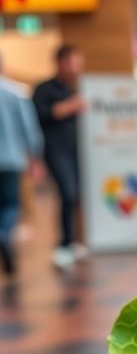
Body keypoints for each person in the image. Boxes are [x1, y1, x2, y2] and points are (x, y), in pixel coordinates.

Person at [33, 45, 87, 269]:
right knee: (67, 192)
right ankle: (62, 246)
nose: (77, 69)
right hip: (55, 152)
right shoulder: (44, 90)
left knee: (75, 196)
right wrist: (70, 107)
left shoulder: (73, 90)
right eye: (73, 63)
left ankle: (72, 241)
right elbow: (42, 115)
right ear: (61, 63)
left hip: (76, 152)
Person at [0, 60, 43, 275]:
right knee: (10, 205)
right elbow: (29, 128)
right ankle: (4, 232)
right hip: (10, 159)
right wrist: (36, 156)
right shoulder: (15, 92)